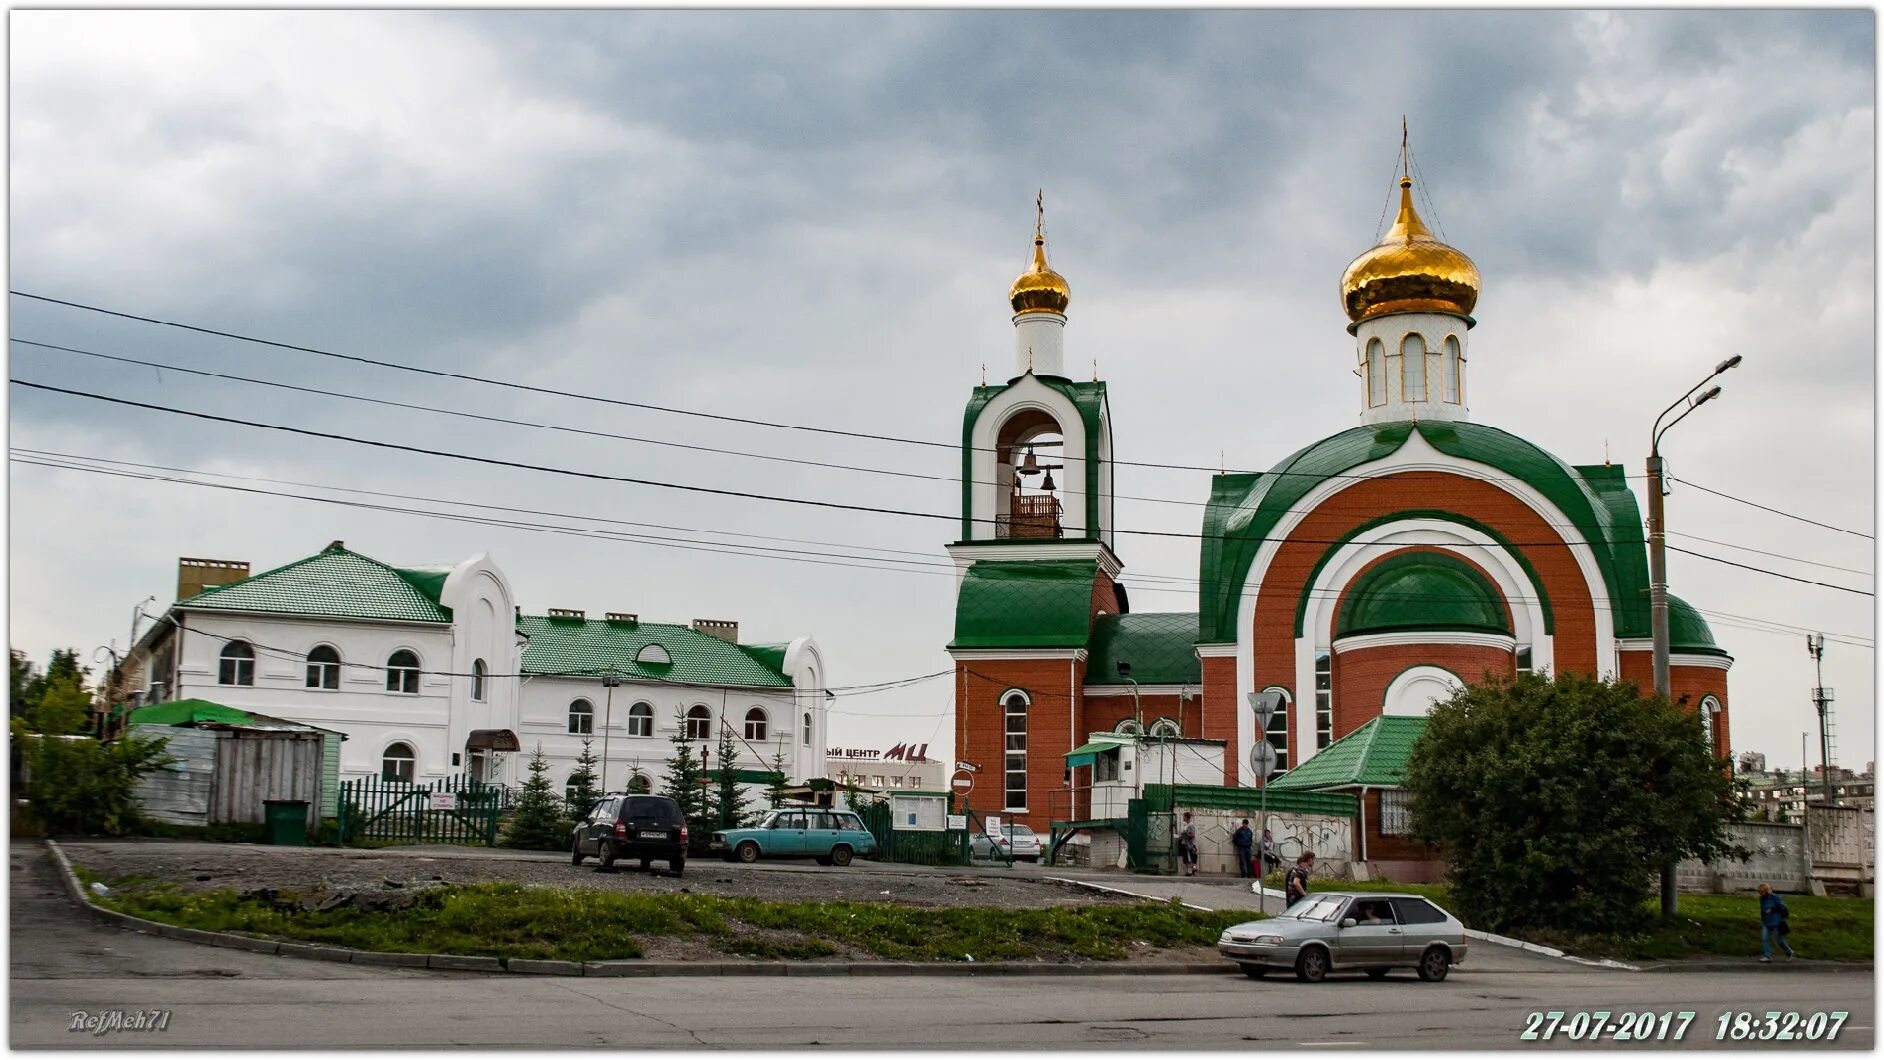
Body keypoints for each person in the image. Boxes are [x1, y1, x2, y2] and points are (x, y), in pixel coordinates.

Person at [1758, 883, 1795, 962]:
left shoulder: (1775, 897)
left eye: (1762, 892)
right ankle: (1767, 956)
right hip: (1766, 922)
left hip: (1776, 922)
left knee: (1779, 940)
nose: (1761, 894)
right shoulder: (1762, 899)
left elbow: (1783, 908)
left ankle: (1789, 952)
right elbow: (1762, 909)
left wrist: (1773, 910)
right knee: (1765, 938)